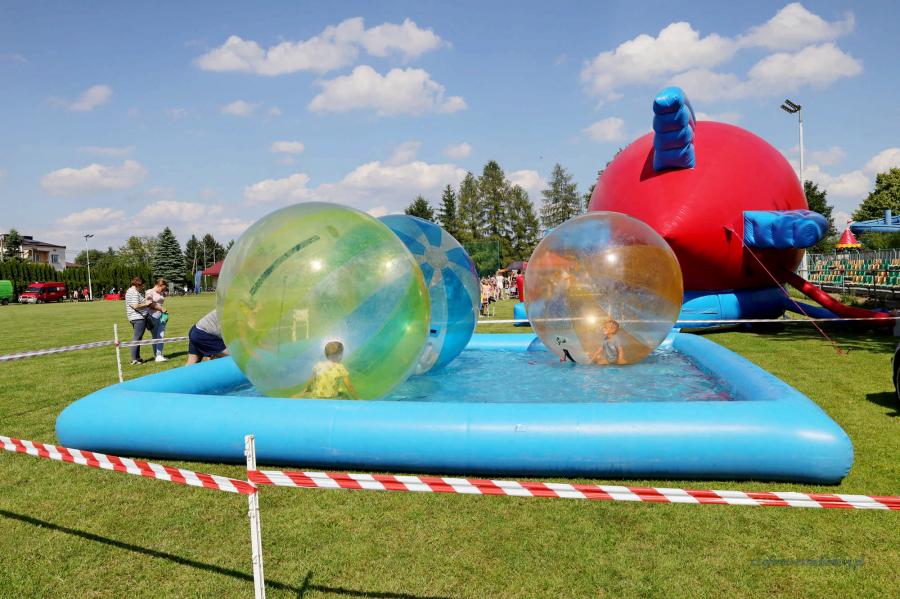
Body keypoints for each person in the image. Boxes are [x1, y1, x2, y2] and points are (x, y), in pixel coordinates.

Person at [124, 277, 156, 365]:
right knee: (137, 338)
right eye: (142, 285)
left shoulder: (129, 291)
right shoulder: (134, 292)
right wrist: (147, 304)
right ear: (138, 284)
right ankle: (134, 359)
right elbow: (135, 306)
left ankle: (137, 358)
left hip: (133, 317)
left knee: (138, 338)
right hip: (138, 318)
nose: (143, 287)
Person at [145, 278, 169, 362]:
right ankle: (157, 355)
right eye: (163, 288)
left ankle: (158, 355)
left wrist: (164, 313)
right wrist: (161, 308)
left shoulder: (160, 293)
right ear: (159, 285)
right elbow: (149, 304)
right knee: (156, 336)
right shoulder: (149, 292)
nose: (163, 290)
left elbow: (159, 303)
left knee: (161, 335)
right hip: (153, 316)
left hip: (162, 316)